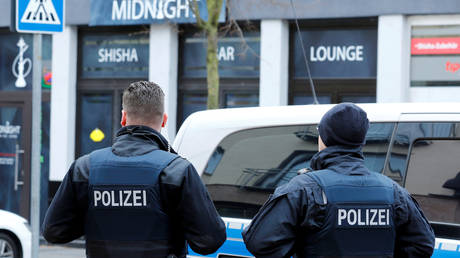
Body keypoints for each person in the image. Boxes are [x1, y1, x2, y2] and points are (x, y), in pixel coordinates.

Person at [42, 81, 226, 258]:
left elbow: (54, 231)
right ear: (164, 120)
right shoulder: (177, 170)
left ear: (123, 117)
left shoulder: (85, 168)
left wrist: (97, 217)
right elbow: (211, 240)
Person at [242, 103, 435, 257]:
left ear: (324, 138)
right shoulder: (393, 192)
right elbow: (423, 245)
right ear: (361, 142)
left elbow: (259, 242)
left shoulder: (304, 190)